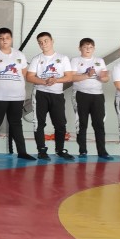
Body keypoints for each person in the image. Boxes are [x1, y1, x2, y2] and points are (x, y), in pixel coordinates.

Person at [0, 28, 33, 159]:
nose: (4, 41)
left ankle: (22, 152)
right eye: (1, 38)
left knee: (16, 123)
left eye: (7, 38)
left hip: (17, 97)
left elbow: (24, 74)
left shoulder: (19, 55)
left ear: (11, 39)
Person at [26, 32, 75, 160]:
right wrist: (44, 82)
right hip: (40, 94)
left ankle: (60, 150)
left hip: (57, 95)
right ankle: (41, 150)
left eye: (46, 41)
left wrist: (55, 80)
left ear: (52, 41)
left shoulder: (63, 58)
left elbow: (69, 77)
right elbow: (29, 77)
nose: (43, 44)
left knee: (60, 124)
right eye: (40, 42)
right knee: (39, 123)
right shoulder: (37, 59)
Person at [69, 38, 112, 159]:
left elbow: (105, 79)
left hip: (98, 95)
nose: (88, 49)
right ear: (80, 48)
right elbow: (71, 77)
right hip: (81, 94)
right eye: (85, 47)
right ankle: (82, 151)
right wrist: (87, 75)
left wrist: (104, 77)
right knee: (82, 123)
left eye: (91, 47)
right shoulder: (75, 60)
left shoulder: (99, 60)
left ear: (94, 48)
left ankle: (102, 151)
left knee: (99, 124)